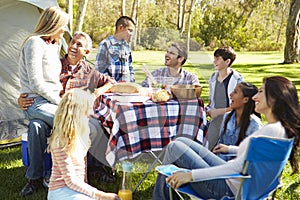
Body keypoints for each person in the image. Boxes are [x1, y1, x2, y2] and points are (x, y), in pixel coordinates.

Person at [152, 76, 300, 200]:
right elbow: (255, 155)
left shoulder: (268, 131)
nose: (255, 96)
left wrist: (190, 175)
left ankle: (160, 197)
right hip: (235, 182)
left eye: (260, 92)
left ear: (273, 99)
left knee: (174, 147)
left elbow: (236, 167)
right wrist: (229, 149)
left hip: (227, 189)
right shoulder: (281, 130)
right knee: (181, 142)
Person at [19, 31, 116, 196]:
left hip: (75, 118)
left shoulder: (89, 71)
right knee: (36, 126)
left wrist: (96, 92)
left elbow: (111, 82)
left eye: (79, 45)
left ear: (86, 52)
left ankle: (84, 171)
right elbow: (34, 82)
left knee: (94, 126)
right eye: (72, 42)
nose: (73, 46)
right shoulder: (54, 65)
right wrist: (21, 99)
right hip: (51, 112)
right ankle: (34, 178)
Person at [47, 88, 119, 200]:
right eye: (86, 114)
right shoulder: (60, 141)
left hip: (76, 189)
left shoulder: (81, 136)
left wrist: (88, 191)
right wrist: (100, 195)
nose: (89, 117)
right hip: (60, 191)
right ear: (76, 114)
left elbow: (82, 173)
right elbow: (70, 180)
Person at [205, 46, 244, 150]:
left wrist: (218, 112)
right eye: (214, 58)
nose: (214, 62)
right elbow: (211, 100)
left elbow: (239, 105)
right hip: (215, 116)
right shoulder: (213, 77)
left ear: (227, 62)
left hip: (230, 117)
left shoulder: (237, 79)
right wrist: (208, 109)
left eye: (218, 59)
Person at [217, 82, 262, 161]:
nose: (230, 95)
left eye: (235, 92)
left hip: (237, 166)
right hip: (220, 160)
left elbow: (254, 152)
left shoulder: (254, 124)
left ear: (245, 99)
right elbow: (221, 142)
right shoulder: (227, 117)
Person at [95, 16, 136, 82]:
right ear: (121, 27)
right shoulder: (106, 44)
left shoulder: (126, 46)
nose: (131, 34)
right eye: (129, 30)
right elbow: (99, 69)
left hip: (126, 88)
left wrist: (130, 80)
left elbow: (130, 67)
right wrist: (111, 82)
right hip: (111, 88)